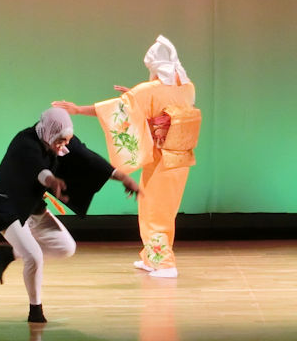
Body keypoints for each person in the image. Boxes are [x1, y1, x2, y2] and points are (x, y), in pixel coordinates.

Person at [53, 35, 201, 278]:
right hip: (179, 157)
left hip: (163, 159)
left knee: (156, 210)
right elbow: (162, 103)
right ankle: (151, 257)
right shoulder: (188, 87)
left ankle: (165, 264)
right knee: (157, 207)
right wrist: (135, 97)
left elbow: (118, 109)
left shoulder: (148, 90)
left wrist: (78, 109)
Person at [0, 107, 139, 322]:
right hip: (8, 207)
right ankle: (35, 311)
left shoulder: (61, 140)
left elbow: (90, 159)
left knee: (66, 247)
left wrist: (123, 177)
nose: (64, 145)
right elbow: (38, 169)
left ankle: (10, 254)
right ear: (49, 132)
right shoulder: (24, 142)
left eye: (67, 141)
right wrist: (52, 180)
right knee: (34, 256)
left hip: (33, 207)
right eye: (61, 141)